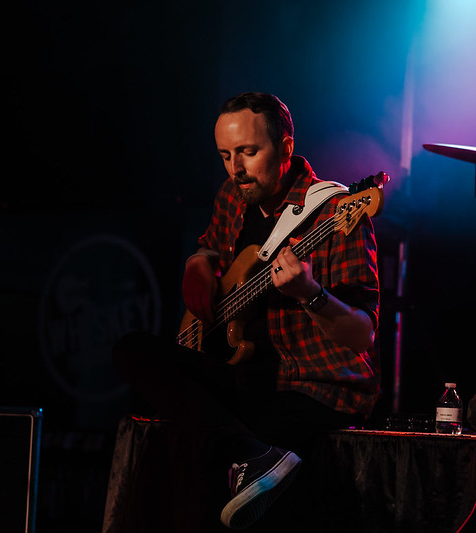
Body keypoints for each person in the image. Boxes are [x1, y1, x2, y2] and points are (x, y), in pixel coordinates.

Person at [112, 92, 382, 530]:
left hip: (311, 385)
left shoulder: (335, 213)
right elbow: (213, 244)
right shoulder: (232, 196)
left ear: (286, 148)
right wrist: (198, 261)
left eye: (248, 153)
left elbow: (363, 335)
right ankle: (253, 456)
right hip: (244, 374)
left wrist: (310, 293)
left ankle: (253, 456)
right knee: (131, 350)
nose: (235, 169)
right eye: (225, 155)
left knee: (194, 449)